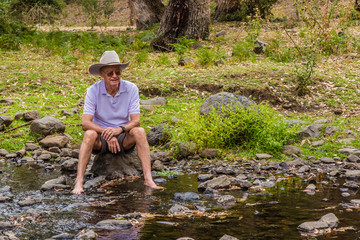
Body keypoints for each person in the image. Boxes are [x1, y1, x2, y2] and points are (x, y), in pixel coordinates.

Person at [72, 50, 162, 194]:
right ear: (102, 74)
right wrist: (107, 133)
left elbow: (136, 121)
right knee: (89, 134)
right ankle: (79, 181)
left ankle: (148, 179)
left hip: (123, 136)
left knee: (140, 131)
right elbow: (85, 123)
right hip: (100, 139)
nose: (115, 76)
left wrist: (118, 130)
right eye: (110, 73)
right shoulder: (93, 90)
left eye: (117, 72)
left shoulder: (131, 88)